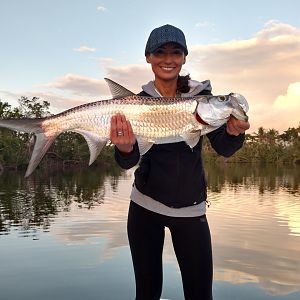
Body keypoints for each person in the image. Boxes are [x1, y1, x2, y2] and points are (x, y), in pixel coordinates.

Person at [110, 24, 250, 300]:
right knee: (146, 294)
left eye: (176, 52)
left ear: (184, 57)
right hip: (144, 207)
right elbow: (128, 162)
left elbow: (224, 148)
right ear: (148, 57)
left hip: (191, 211)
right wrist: (125, 149)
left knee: (200, 295)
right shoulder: (136, 103)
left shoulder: (203, 99)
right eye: (159, 52)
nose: (168, 59)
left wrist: (234, 134)